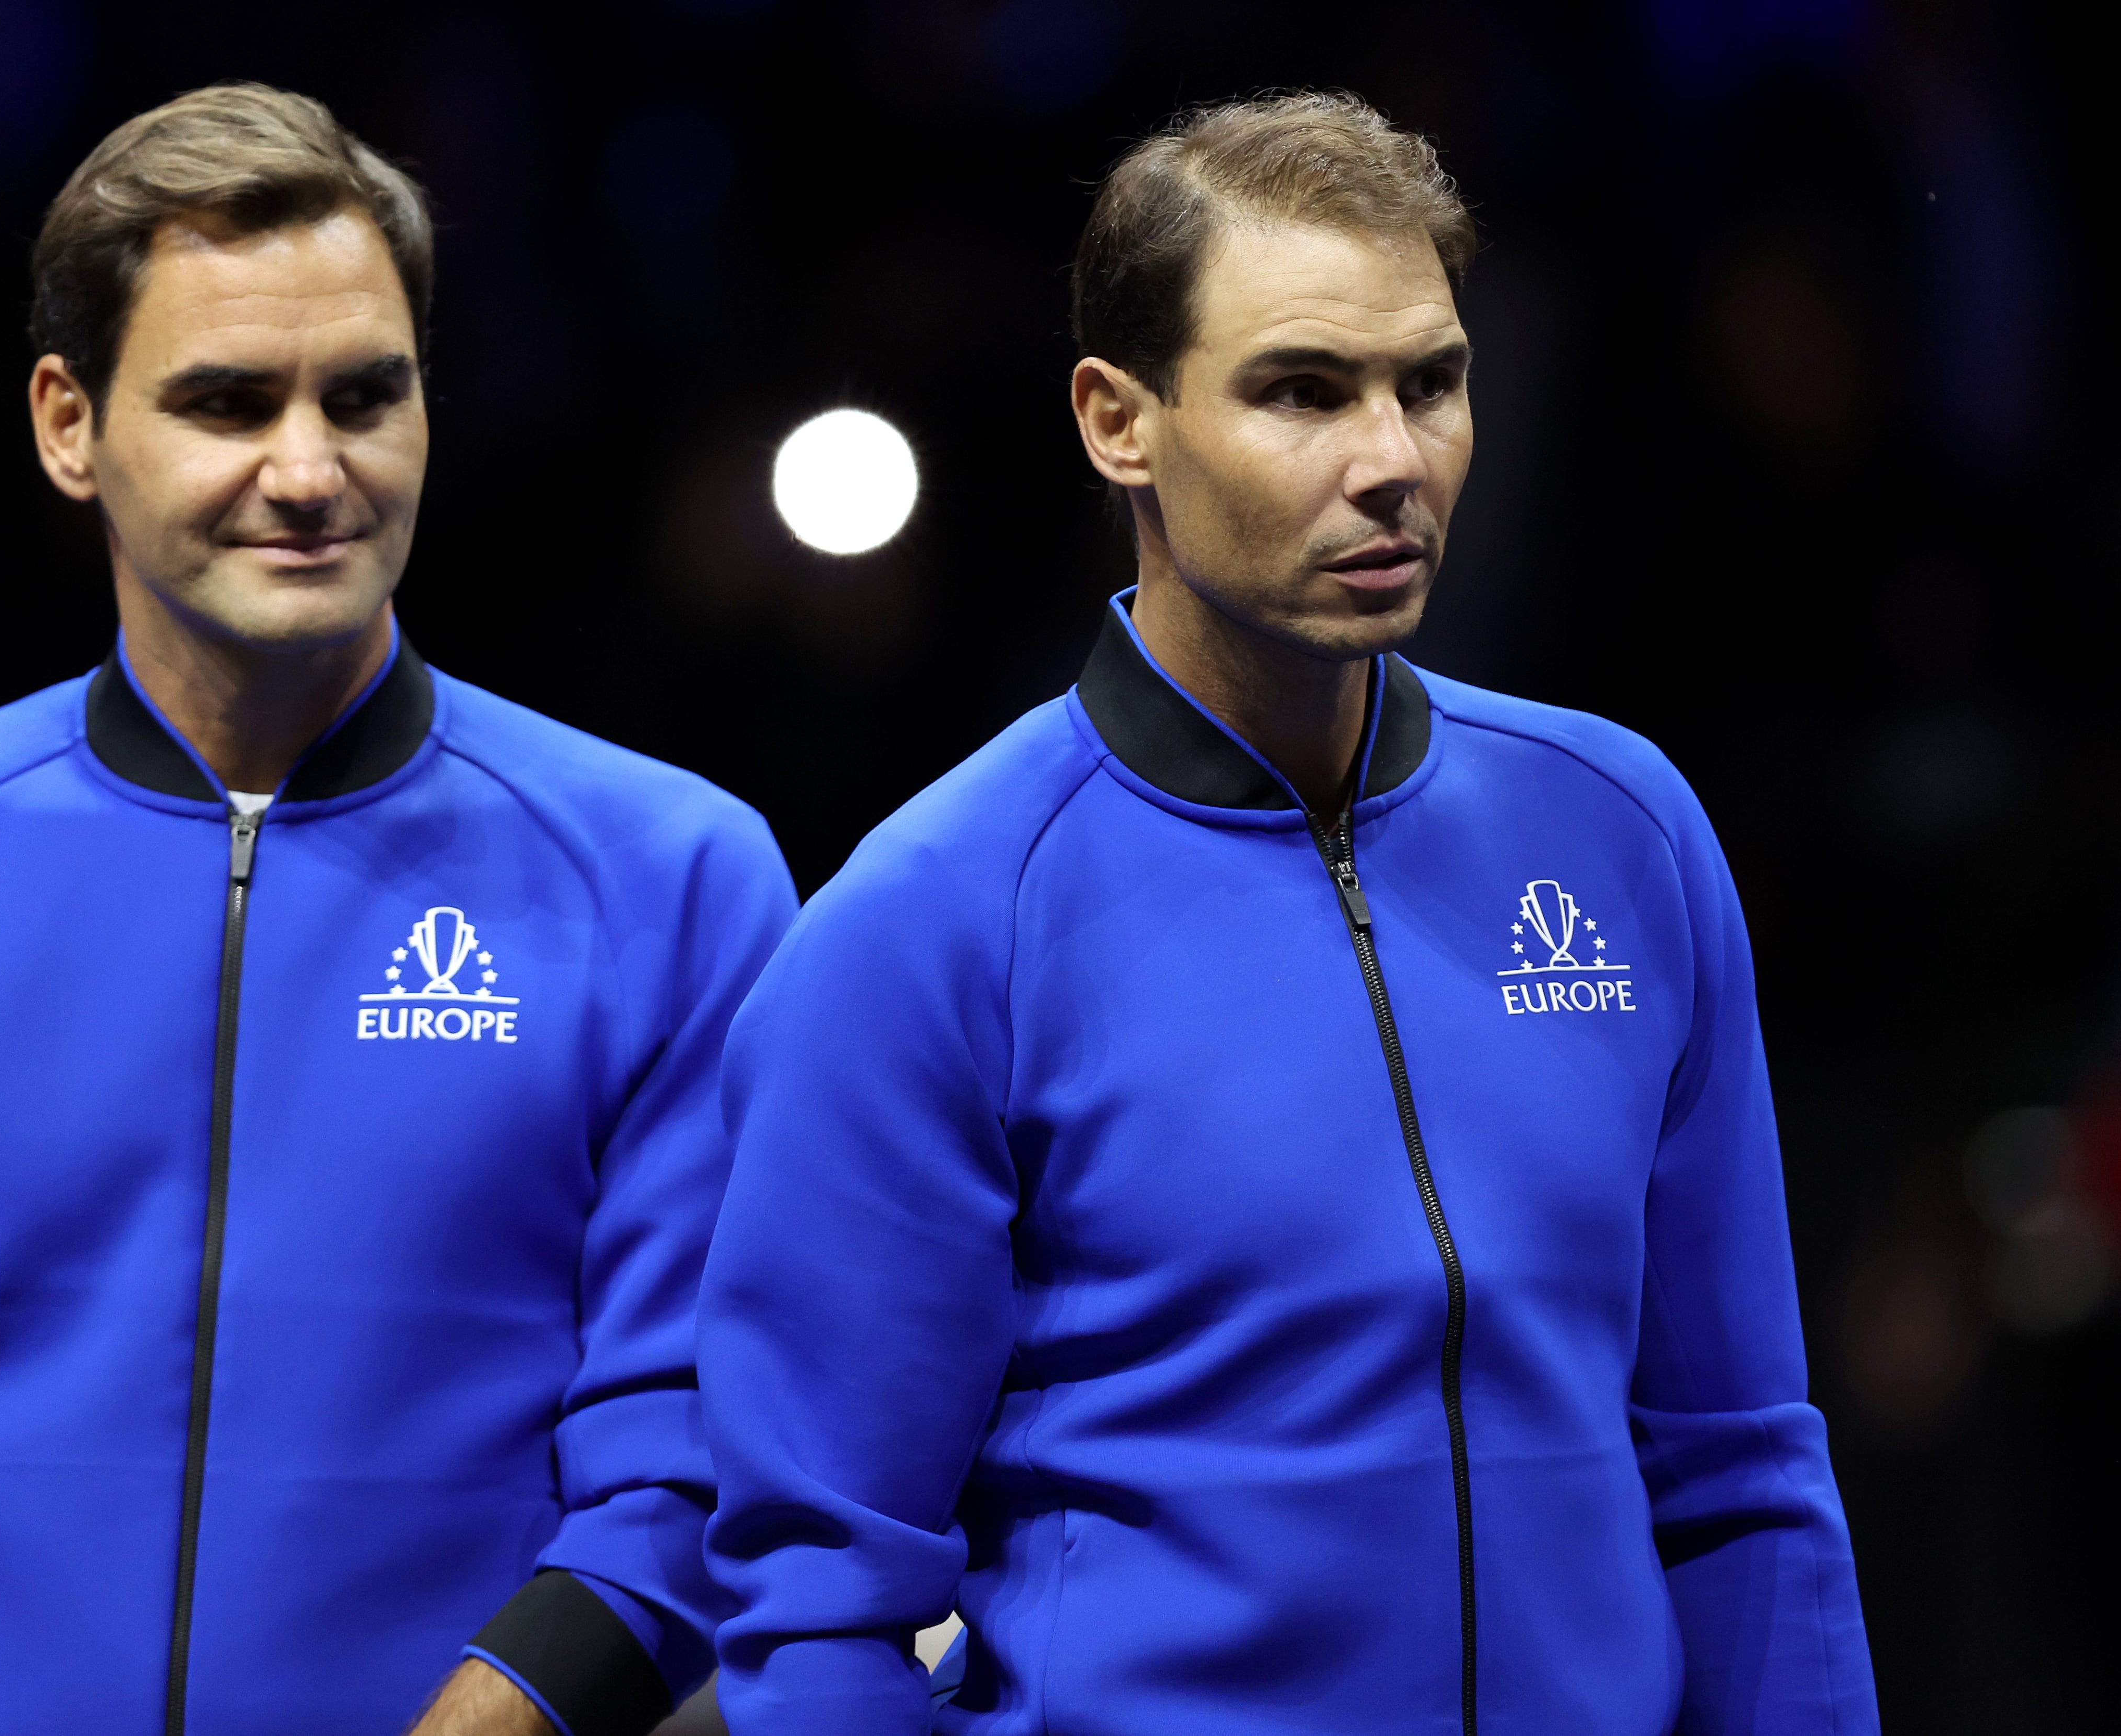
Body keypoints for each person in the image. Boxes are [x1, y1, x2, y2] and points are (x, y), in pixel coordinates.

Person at [0, 83, 795, 1736]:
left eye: (365, 396)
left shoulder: (674, 876)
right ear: (68, 424)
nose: (309, 470)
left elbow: (695, 1450)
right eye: (230, 401)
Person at [697, 92, 1877, 1735]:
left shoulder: (1623, 831)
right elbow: (825, 1606)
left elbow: (1743, 1469)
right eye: (1305, 392)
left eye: (1431, 385)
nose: (1390, 461)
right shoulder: (927, 925)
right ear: (1122, 423)